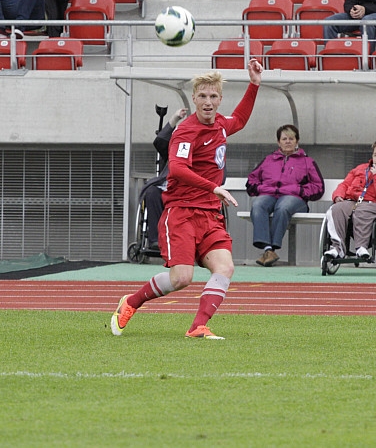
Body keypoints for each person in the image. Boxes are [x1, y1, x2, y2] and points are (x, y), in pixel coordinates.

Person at [110, 59, 263, 340]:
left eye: (213, 96)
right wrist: (214, 188)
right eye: (202, 96)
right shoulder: (186, 131)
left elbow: (239, 119)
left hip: (210, 215)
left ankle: (198, 326)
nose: (208, 102)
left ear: (220, 99)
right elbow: (178, 169)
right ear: (194, 98)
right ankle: (131, 301)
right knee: (181, 278)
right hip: (181, 213)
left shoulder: (220, 124)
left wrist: (254, 84)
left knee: (225, 267)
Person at [245, 124, 325, 267]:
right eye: (284, 139)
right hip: (270, 195)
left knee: (283, 207)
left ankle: (271, 249)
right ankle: (268, 250)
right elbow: (251, 181)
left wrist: (300, 190)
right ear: (278, 142)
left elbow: (318, 187)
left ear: (297, 141)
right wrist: (261, 188)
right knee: (258, 205)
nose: (288, 141)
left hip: (295, 199)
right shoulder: (268, 160)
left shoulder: (307, 162)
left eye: (291, 138)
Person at [323, 140, 376, 262]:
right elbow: (344, 184)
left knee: (362, 211)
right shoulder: (360, 169)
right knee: (336, 209)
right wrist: (338, 195)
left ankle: (361, 247)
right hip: (352, 200)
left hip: (373, 204)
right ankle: (338, 248)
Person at [140, 107, 189, 249]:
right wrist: (175, 118)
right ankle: (156, 240)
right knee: (151, 192)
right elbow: (160, 141)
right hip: (166, 187)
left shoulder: (202, 148)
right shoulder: (173, 148)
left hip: (188, 190)